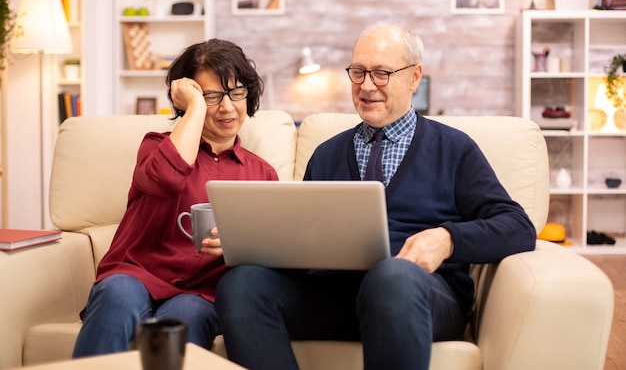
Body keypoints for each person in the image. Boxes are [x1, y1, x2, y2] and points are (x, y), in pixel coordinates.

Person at [215, 22, 537, 370]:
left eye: (382, 73)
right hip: (333, 296)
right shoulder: (326, 154)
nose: (367, 86)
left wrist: (447, 239)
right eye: (358, 72)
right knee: (241, 284)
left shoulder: (453, 149)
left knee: (391, 275)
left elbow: (518, 226)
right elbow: (301, 242)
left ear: (414, 77)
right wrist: (256, 241)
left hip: (417, 295)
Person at [72, 38, 278, 358]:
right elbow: (167, 178)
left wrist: (240, 244)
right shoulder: (155, 147)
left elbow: (269, 250)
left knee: (186, 316)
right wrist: (195, 108)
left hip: (202, 292)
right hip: (137, 273)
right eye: (211, 96)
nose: (227, 107)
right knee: (115, 294)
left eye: (236, 93)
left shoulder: (261, 173)